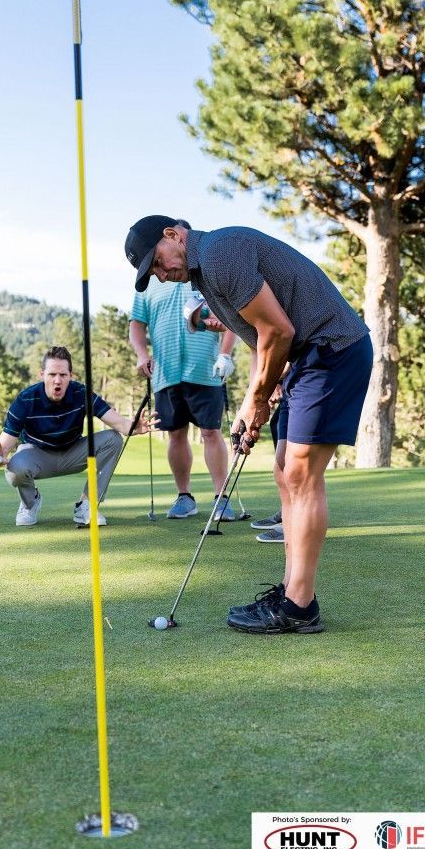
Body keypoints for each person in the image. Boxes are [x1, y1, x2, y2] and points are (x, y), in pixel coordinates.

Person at [124, 215, 373, 635]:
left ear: (173, 235)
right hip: (306, 359)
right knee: (283, 471)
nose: (162, 273)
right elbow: (263, 340)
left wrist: (259, 399)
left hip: (332, 350)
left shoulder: (220, 252)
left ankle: (298, 604)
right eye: (153, 273)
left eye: (158, 262)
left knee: (301, 473)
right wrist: (250, 405)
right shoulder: (205, 277)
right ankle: (295, 591)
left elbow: (278, 330)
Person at [0, 345, 152, 527]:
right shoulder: (25, 400)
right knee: (14, 468)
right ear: (42, 375)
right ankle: (30, 503)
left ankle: (86, 505)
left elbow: (119, 424)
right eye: (52, 375)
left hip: (72, 453)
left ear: (70, 376)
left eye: (63, 375)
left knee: (113, 439)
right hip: (38, 455)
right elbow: (4, 446)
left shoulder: (81, 393)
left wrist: (134, 427)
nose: (57, 381)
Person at [129, 265, 238, 520]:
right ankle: (184, 497)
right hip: (166, 372)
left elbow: (232, 320)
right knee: (175, 435)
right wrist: (142, 355)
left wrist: (225, 354)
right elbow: (137, 324)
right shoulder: (148, 283)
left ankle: (221, 498)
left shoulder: (208, 276)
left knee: (211, 432)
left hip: (205, 370)